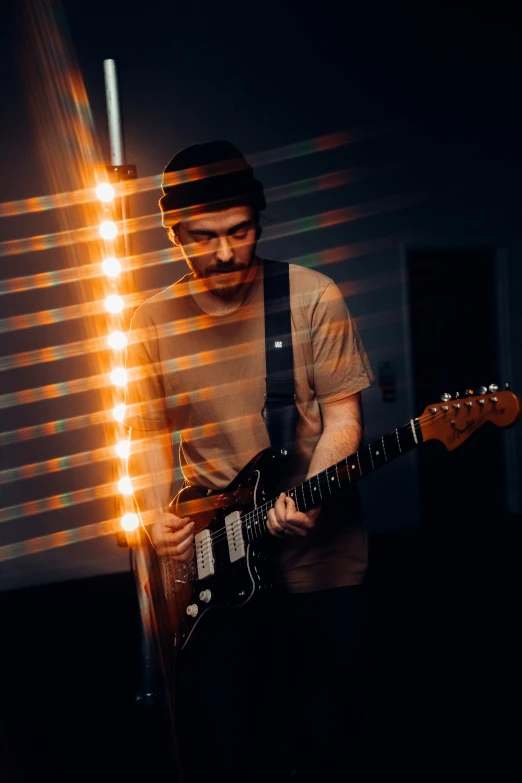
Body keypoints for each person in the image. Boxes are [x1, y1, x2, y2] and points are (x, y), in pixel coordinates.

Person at [124, 140, 374, 783]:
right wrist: (153, 512)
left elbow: (344, 416)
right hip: (215, 564)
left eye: (240, 231)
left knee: (329, 733)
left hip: (320, 563)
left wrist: (313, 495)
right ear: (173, 234)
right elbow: (151, 437)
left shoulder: (312, 296)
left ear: (258, 220)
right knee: (235, 740)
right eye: (203, 238)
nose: (227, 252)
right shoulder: (149, 321)